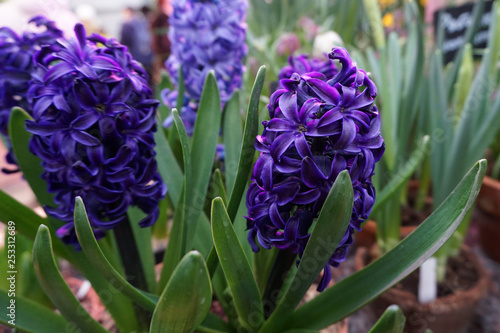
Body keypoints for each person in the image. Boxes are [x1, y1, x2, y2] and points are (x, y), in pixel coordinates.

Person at [120, 6, 153, 78]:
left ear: (128, 13)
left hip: (135, 59)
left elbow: (123, 45)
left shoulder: (127, 25)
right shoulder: (143, 22)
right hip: (148, 58)